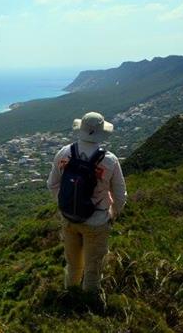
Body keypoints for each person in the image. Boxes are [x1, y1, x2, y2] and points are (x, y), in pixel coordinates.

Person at [47, 112, 127, 292]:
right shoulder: (109, 160)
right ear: (101, 132)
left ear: (81, 129)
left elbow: (52, 185)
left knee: (73, 266)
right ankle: (87, 309)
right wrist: (112, 215)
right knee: (93, 270)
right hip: (97, 222)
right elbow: (121, 196)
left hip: (69, 219)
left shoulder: (64, 153)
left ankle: (70, 298)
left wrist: (66, 204)